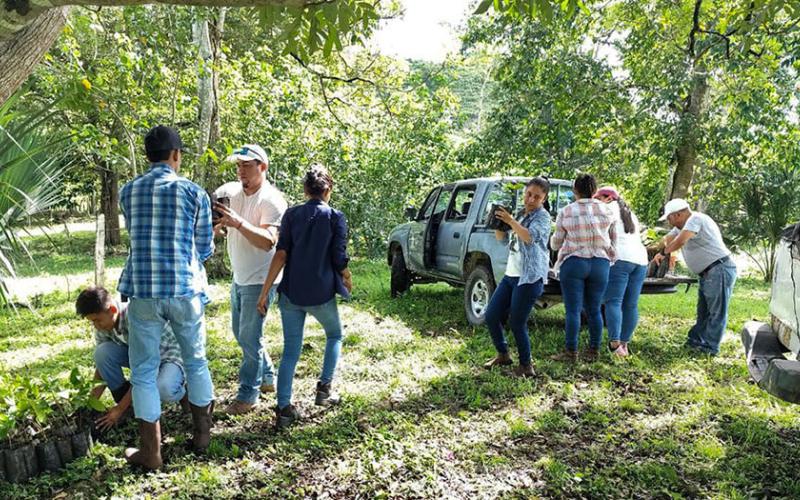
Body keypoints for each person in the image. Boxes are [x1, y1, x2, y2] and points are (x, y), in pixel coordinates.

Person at [118, 125, 215, 470]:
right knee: (196, 360)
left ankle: (151, 452)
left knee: (143, 371)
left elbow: (136, 236)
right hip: (185, 289)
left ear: (148, 156)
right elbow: (204, 247)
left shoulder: (128, 191)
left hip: (143, 292)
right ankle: (202, 436)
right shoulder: (193, 192)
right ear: (176, 155)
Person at [256, 164, 352, 430]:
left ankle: (284, 409)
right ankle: (324, 390)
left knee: (290, 351)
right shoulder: (334, 217)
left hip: (291, 294)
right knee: (334, 335)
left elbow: (281, 254)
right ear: (328, 189)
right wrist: (346, 275)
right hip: (320, 293)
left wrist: (265, 292)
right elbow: (338, 256)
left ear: (305, 190)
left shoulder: (291, 215)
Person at [213, 144, 287, 415]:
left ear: (262, 167)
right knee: (242, 334)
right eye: (238, 165)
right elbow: (223, 218)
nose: (241, 171)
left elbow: (269, 241)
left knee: (249, 337)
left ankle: (248, 395)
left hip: (262, 279)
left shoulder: (272, 200)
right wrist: (221, 226)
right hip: (240, 276)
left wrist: (239, 224)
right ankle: (268, 377)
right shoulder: (231, 192)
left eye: (247, 165)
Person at [76, 287, 186, 431]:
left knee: (163, 388)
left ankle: (186, 391)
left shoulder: (136, 320)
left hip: (168, 355)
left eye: (97, 320)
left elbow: (143, 373)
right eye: (92, 322)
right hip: (142, 358)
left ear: (112, 310)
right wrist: (90, 404)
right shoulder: (104, 325)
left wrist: (119, 409)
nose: (96, 326)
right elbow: (102, 366)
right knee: (102, 353)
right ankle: (131, 407)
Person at [483, 177, 552, 377]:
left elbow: (530, 237)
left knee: (517, 322)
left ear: (544, 198)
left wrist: (511, 221)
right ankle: (503, 355)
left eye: (537, 197)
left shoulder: (543, 217)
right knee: (492, 315)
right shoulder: (521, 214)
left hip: (529, 277)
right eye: (529, 194)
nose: (531, 199)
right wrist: (498, 223)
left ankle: (526, 365)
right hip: (511, 274)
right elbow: (502, 240)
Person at [652, 198, 736, 355]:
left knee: (716, 312)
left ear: (678, 214)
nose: (669, 222)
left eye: (669, 218)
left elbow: (680, 241)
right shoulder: (681, 226)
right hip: (707, 273)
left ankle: (710, 348)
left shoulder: (696, 219)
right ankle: (695, 342)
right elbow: (667, 240)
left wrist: (664, 253)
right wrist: (651, 248)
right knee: (703, 311)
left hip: (719, 269)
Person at [550, 173, 617, 362]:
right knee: (595, 309)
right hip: (600, 263)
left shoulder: (566, 211)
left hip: (574, 263)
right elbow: (614, 240)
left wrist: (555, 243)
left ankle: (571, 351)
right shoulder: (607, 211)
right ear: (595, 191)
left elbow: (556, 243)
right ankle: (593, 351)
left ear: (575, 190)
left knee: (573, 309)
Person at [594, 187, 648, 357]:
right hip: (640, 260)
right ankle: (624, 344)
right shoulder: (629, 213)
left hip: (620, 259)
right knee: (630, 304)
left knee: (613, 301)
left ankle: (614, 343)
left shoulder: (606, 209)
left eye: (598, 198)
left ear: (607, 198)